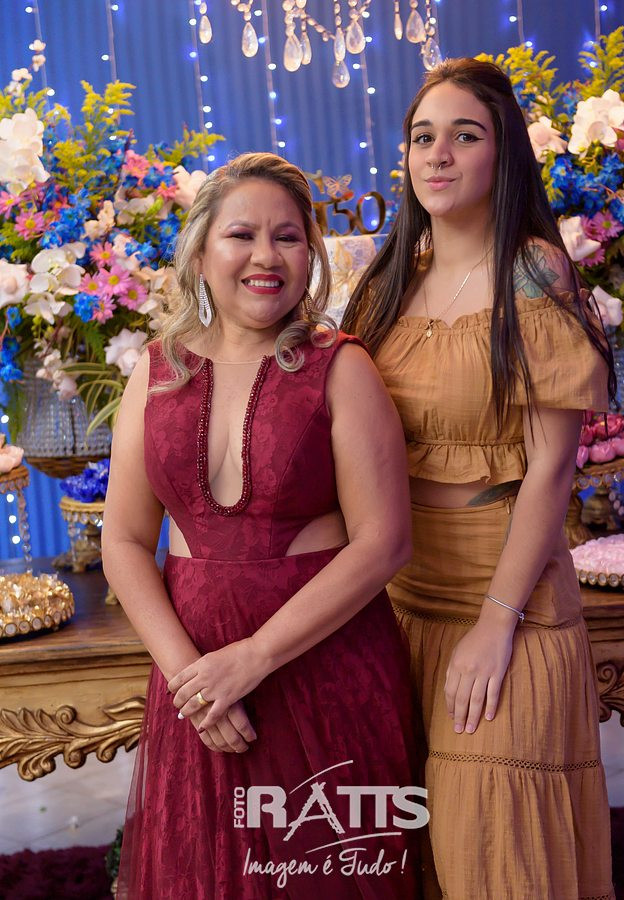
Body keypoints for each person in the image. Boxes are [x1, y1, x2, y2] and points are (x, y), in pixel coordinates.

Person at [103, 152, 425, 899]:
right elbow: (124, 540)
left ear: (310, 254)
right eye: (241, 235)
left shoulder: (342, 367)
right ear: (200, 253)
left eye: (287, 237)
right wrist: (191, 680)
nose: (265, 257)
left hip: (321, 668)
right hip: (197, 683)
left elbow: (384, 541)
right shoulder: (154, 372)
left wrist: (252, 658)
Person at [343, 58, 615, 900]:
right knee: (404, 848)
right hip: (394, 593)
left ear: (503, 155)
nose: (437, 155)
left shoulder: (532, 271)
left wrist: (497, 623)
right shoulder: (386, 282)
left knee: (491, 849)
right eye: (422, 137)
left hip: (506, 594)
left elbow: (550, 471)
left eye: (464, 136)